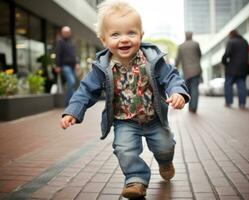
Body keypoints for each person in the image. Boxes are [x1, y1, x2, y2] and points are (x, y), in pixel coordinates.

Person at [60, 0, 190, 198]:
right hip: (124, 121)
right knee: (124, 149)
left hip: (154, 119)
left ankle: (165, 161)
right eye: (115, 34)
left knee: (165, 147)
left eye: (131, 33)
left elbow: (171, 77)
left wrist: (178, 92)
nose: (124, 39)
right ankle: (136, 179)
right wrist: (73, 111)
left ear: (141, 35)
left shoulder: (152, 59)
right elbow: (85, 90)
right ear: (103, 40)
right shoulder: (101, 68)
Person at [222, 30, 249, 109]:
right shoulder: (245, 42)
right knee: (242, 86)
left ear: (231, 35)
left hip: (231, 68)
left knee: (228, 85)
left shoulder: (231, 42)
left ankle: (228, 102)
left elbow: (227, 54)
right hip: (243, 68)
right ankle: (242, 103)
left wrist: (224, 63)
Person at [175, 31, 202, 113]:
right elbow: (200, 55)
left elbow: (178, 59)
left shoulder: (181, 46)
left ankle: (191, 107)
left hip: (186, 71)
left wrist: (175, 68)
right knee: (195, 89)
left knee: (189, 89)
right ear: (191, 36)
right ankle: (193, 107)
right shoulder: (196, 44)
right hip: (196, 70)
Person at [55, 26, 79, 106]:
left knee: (71, 84)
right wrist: (58, 65)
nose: (66, 33)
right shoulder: (60, 42)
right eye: (65, 32)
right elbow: (58, 54)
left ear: (70, 33)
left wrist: (77, 63)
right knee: (71, 82)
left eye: (68, 32)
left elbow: (75, 54)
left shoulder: (72, 42)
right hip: (65, 66)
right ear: (62, 33)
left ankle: (69, 102)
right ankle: (70, 103)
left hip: (72, 66)